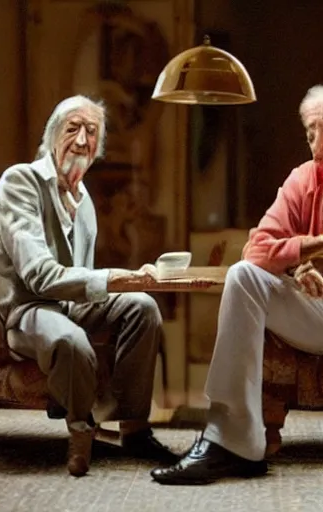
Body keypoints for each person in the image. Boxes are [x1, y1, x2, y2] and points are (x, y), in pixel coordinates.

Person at [0, 95, 177, 477]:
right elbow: (40, 277)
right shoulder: (20, 181)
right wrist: (117, 278)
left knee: (142, 306)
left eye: (92, 132)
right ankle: (80, 430)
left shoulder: (83, 198)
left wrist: (129, 284)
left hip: (68, 305)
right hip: (31, 308)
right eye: (72, 128)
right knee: (71, 340)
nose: (81, 139)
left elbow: (81, 279)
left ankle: (134, 428)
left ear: (98, 148)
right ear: (52, 136)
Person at [151, 84, 323, 485]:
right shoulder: (304, 179)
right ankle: (233, 441)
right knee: (243, 276)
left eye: (321, 129)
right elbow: (255, 249)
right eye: (309, 131)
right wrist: (305, 258)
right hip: (317, 314)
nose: (315, 142)